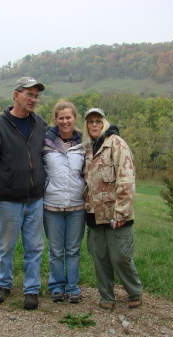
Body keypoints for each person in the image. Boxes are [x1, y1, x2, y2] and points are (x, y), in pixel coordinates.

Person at [0, 77, 47, 310]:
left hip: (35, 199)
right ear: (16, 95)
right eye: (29, 94)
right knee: (5, 246)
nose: (33, 99)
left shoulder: (40, 124)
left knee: (35, 247)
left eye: (36, 96)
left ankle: (31, 290)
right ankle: (3, 285)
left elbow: (64, 137)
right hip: (7, 199)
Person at [82, 107, 143, 310]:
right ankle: (106, 296)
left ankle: (134, 292)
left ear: (104, 122)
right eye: (90, 122)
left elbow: (126, 179)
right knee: (99, 257)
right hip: (94, 214)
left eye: (98, 121)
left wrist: (122, 212)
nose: (94, 125)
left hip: (117, 214)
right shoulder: (88, 148)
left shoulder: (116, 143)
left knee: (120, 257)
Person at [42, 101, 86, 304]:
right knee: (56, 250)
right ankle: (57, 286)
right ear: (55, 120)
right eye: (61, 118)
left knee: (73, 250)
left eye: (68, 117)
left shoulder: (85, 143)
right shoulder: (45, 141)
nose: (65, 121)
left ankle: (73, 287)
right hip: (52, 205)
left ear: (74, 118)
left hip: (77, 206)